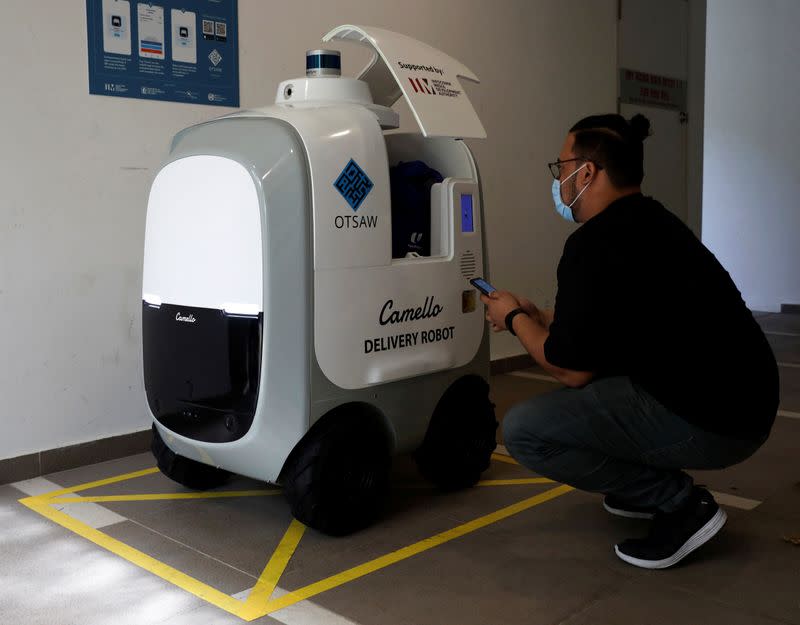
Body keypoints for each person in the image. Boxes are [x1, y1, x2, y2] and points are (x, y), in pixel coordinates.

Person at [481, 113, 779, 569]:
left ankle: (678, 503)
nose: (557, 179)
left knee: (527, 430)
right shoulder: (655, 222)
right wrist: (539, 315)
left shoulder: (593, 245)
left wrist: (515, 317)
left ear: (587, 172)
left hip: (715, 421)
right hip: (749, 402)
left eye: (560, 167)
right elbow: (610, 322)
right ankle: (643, 487)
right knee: (600, 384)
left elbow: (570, 367)